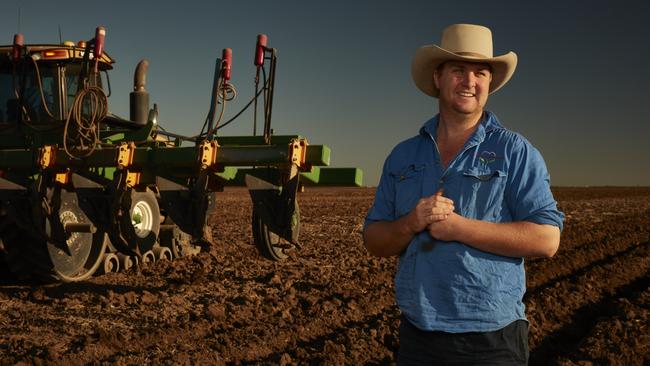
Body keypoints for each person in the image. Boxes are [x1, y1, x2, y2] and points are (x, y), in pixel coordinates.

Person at [363, 23, 564, 365]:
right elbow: (374, 239)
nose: (470, 82)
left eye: (480, 73)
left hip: (492, 340)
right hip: (418, 336)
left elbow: (547, 239)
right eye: (459, 70)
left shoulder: (515, 151)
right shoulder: (403, 156)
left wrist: (458, 228)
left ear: (489, 83)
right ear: (438, 78)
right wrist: (411, 222)